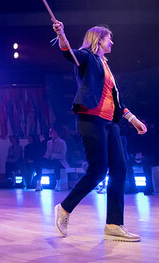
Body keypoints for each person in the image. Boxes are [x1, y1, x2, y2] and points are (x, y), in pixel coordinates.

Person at [51, 19, 147, 242]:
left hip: (110, 124)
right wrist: (61, 34)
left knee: (120, 169)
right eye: (109, 38)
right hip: (91, 120)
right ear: (99, 40)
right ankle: (64, 208)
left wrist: (133, 120)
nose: (112, 41)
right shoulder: (87, 57)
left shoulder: (106, 66)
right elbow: (69, 54)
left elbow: (117, 102)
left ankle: (114, 224)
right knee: (98, 171)